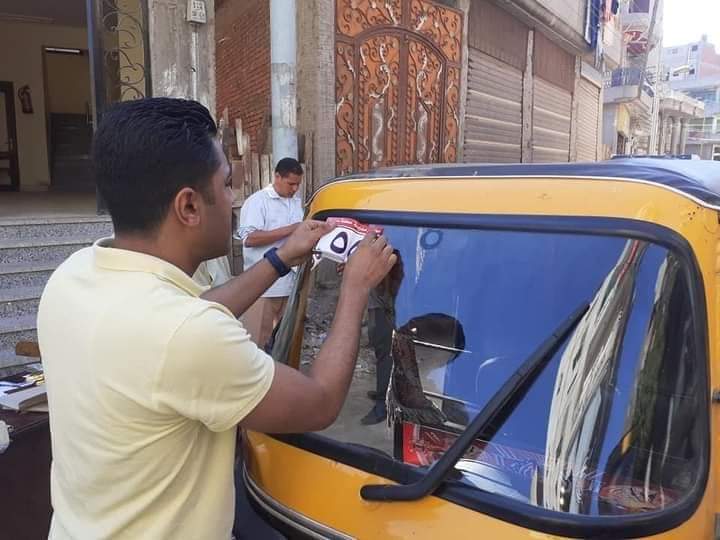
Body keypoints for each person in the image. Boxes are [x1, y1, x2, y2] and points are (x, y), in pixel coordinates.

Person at [37, 98, 396, 540]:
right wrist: (355, 288)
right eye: (227, 185)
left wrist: (281, 258)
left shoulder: (73, 277)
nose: (233, 200)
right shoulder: (186, 335)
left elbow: (194, 314)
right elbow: (320, 403)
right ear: (188, 207)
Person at [237, 158, 304, 349]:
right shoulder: (258, 201)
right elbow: (249, 238)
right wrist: (291, 229)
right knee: (257, 343)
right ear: (277, 177)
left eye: (298, 184)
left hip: (290, 283)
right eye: (291, 184)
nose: (294, 189)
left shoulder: (295, 202)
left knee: (286, 343)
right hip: (264, 287)